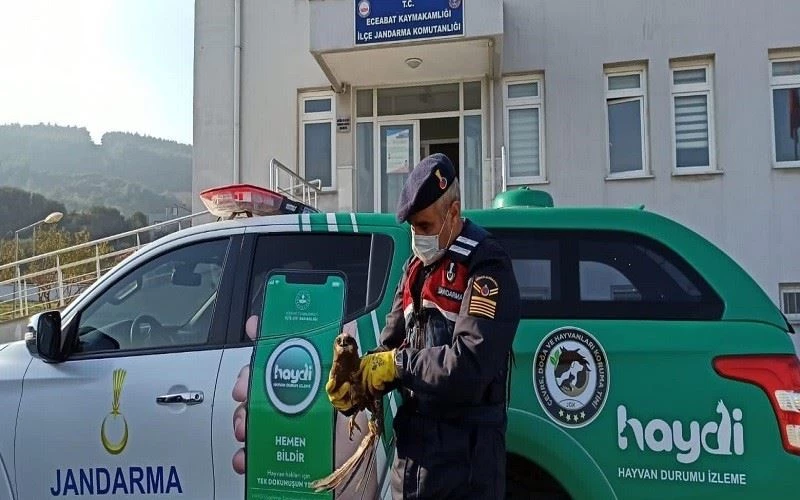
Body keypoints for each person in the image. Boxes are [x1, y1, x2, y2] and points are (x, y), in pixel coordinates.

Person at [327, 153, 521, 498]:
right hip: (413, 463)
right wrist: (357, 384)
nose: (418, 237)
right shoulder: (414, 269)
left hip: (466, 467)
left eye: (426, 226)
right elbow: (390, 347)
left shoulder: (486, 265)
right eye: (413, 228)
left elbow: (470, 365)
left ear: (454, 213)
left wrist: (398, 365)